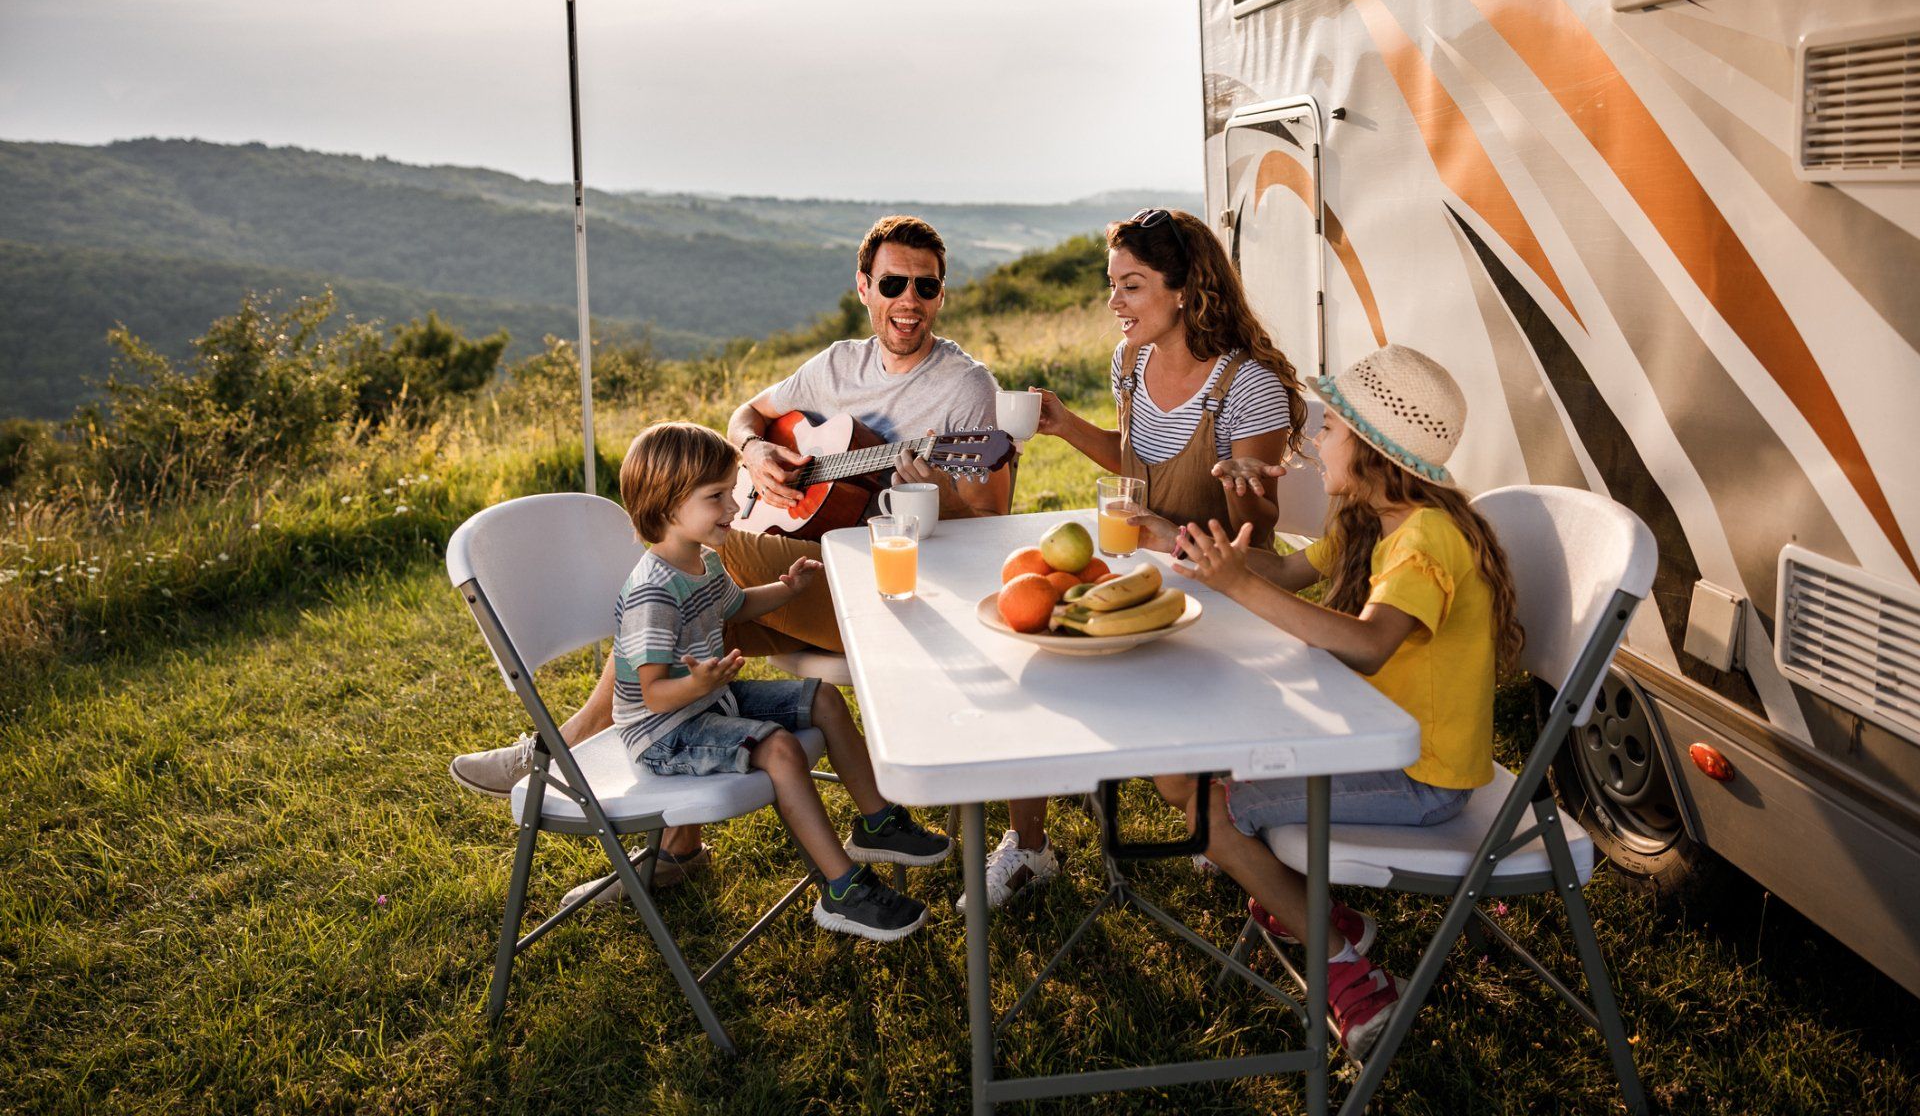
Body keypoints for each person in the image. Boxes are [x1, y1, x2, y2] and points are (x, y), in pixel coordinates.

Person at [450, 215, 1008, 900]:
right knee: (690, 617)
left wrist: (937, 490)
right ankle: (673, 846)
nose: (910, 300)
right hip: (802, 578)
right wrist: (754, 451)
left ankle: (544, 752)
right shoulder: (835, 366)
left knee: (688, 569)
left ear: (942, 294)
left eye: (926, 286)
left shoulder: (964, 387)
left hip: (893, 595)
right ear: (865, 287)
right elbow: (748, 413)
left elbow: (989, 521)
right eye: (894, 282)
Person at [1151, 344, 1525, 1059]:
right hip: (1370, 740)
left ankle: (1344, 965)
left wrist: (1235, 587)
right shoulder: (1376, 523)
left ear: (1374, 450)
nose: (1317, 436)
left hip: (1422, 774)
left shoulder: (1427, 541)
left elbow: (1367, 644)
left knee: (1208, 804)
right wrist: (1183, 542)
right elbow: (1286, 570)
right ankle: (1315, 912)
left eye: (1331, 428)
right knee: (1182, 774)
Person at [963, 207, 1308, 912]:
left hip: (1225, 598)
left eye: (1132, 286)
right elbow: (1133, 461)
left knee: (1099, 702)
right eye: (1112, 285)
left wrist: (1235, 493)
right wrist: (1064, 427)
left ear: (1185, 289)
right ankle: (1030, 843)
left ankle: (1226, 814)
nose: (1113, 304)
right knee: (1028, 664)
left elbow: (1257, 534)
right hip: (1142, 576)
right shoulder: (1132, 361)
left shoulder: (1248, 387)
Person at [609, 421, 949, 939]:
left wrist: (786, 589)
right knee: (781, 748)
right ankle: (842, 889)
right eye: (716, 497)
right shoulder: (652, 593)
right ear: (667, 505)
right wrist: (698, 686)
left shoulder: (703, 560)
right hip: (664, 733)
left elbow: (739, 605)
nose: (732, 508)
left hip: (707, 701)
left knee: (824, 700)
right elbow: (654, 695)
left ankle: (877, 821)